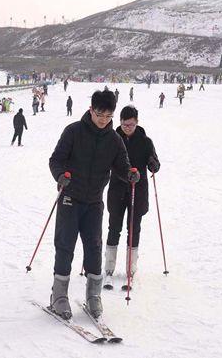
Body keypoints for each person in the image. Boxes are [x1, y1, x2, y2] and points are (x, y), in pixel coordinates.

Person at [47, 90, 138, 320]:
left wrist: (129, 173)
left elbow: (121, 165)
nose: (103, 120)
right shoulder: (73, 131)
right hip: (70, 198)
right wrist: (60, 176)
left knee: (94, 248)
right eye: (100, 114)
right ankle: (58, 295)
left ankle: (93, 296)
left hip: (94, 201)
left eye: (108, 116)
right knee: (65, 245)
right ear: (91, 109)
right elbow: (56, 159)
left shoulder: (114, 140)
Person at [103, 106, 160, 290]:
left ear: (137, 122)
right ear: (119, 122)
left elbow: (155, 162)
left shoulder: (145, 141)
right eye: (125, 124)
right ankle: (109, 269)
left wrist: (152, 164)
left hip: (138, 191)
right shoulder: (112, 139)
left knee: (134, 229)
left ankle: (131, 269)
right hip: (117, 189)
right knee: (114, 228)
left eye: (131, 124)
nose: (128, 127)